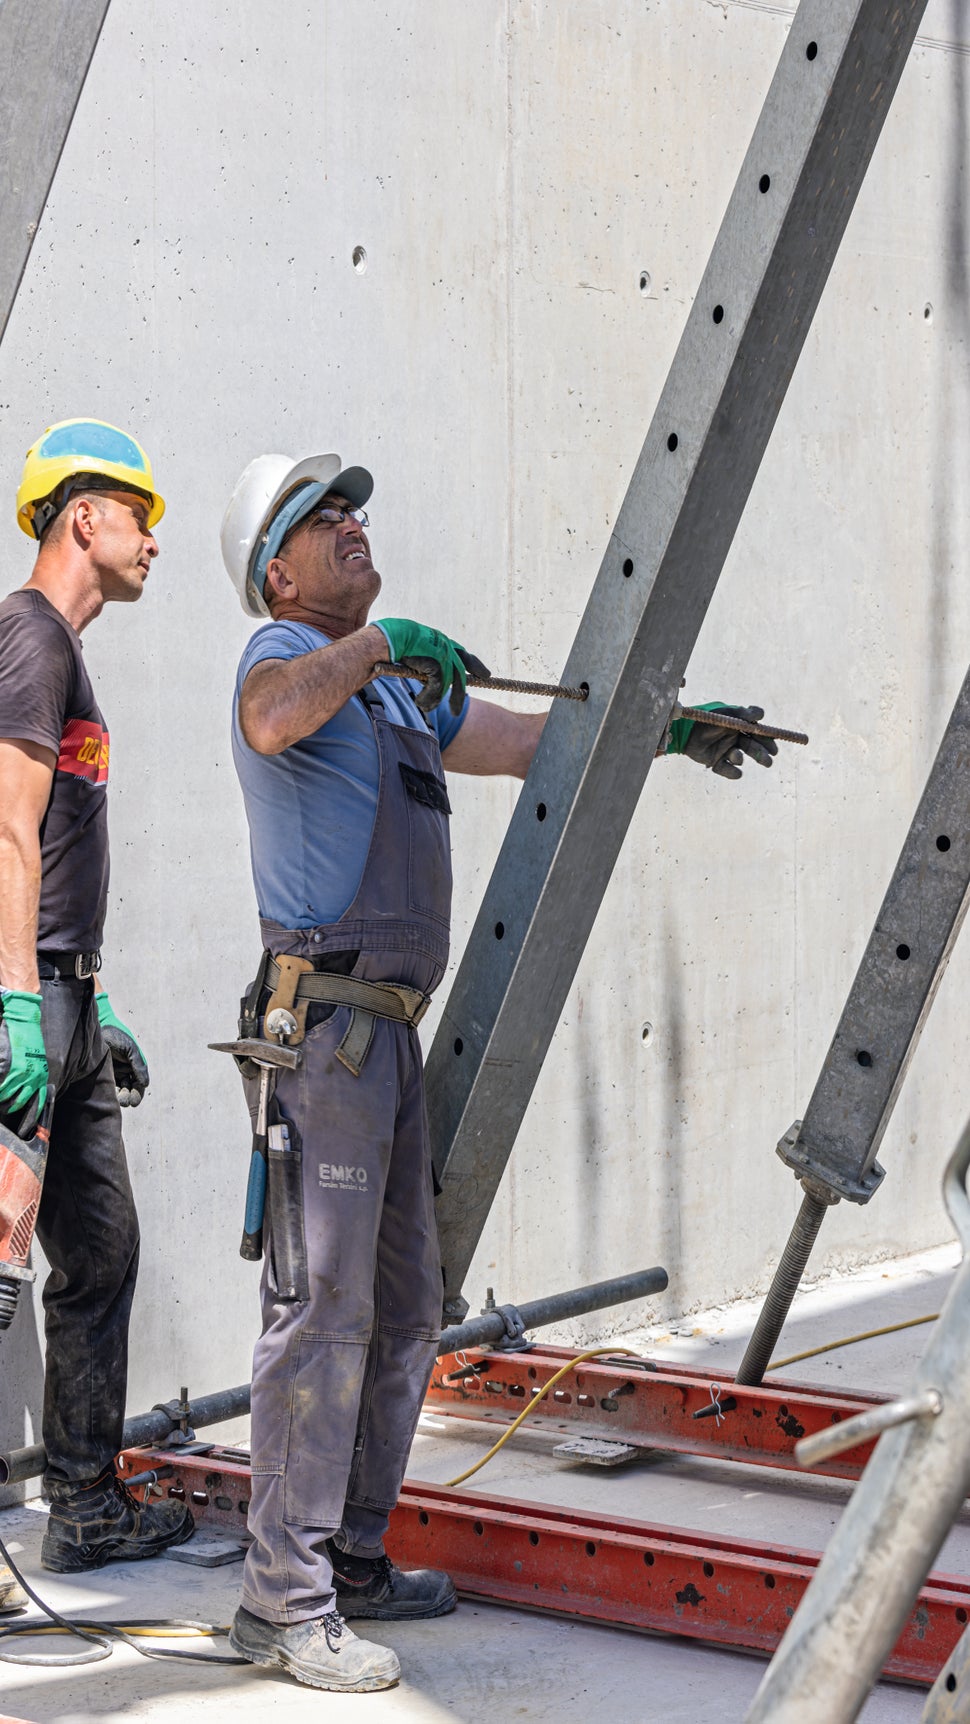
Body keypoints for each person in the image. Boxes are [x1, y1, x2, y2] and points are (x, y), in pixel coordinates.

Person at [220, 448, 776, 1693]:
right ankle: (280, 1596)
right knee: (322, 1313)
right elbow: (271, 717)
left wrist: (668, 733)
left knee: (409, 1306)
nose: (356, 523)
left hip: (388, 1036)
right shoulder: (281, 662)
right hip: (324, 1033)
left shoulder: (400, 701)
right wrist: (379, 643)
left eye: (360, 506)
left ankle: (349, 1558)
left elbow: (536, 743)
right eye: (326, 517)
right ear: (278, 567)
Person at [0, 419, 193, 1606]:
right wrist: (18, 1006)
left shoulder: (60, 649)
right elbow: (5, 832)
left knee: (101, 1251)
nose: (153, 538)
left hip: (66, 1001)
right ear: (86, 516)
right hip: (24, 1005)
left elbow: (61, 847)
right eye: (141, 513)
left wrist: (92, 993)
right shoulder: (29, 637)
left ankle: (81, 1507)